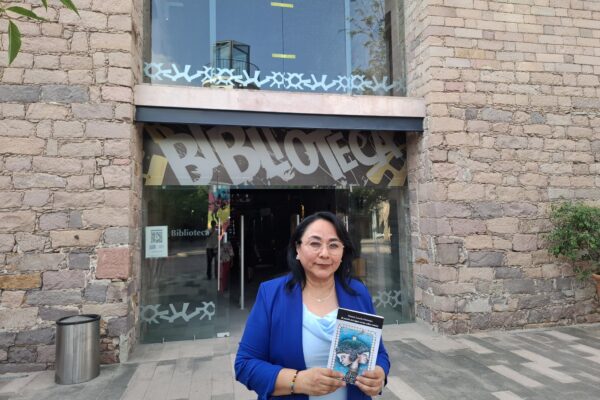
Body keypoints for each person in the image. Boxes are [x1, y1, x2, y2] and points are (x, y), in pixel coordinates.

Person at [235, 211, 389, 399]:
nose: (324, 253)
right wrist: (298, 381)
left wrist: (380, 373)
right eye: (315, 244)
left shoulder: (357, 292)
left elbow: (379, 353)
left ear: (343, 251)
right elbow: (245, 364)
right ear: (297, 249)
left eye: (333, 245)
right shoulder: (271, 294)